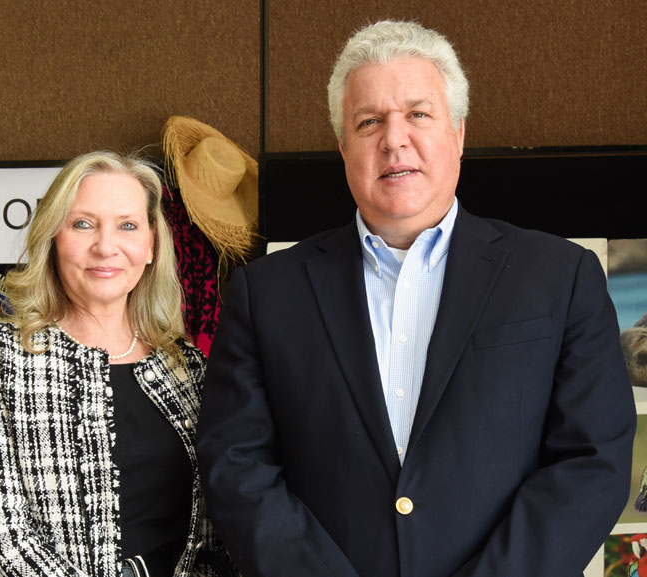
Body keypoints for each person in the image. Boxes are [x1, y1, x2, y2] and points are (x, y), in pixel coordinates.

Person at [195, 20, 636, 577]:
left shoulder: (561, 275)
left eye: (418, 114)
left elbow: (592, 460)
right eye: (369, 121)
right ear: (343, 147)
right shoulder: (266, 292)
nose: (394, 138)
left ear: (458, 132)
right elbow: (237, 466)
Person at [0, 151, 235, 577]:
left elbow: (213, 535)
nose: (106, 246)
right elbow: (1, 543)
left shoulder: (187, 366)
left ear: (151, 245)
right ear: (53, 238)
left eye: (128, 226)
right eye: (83, 224)